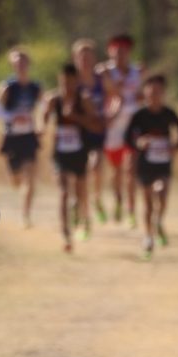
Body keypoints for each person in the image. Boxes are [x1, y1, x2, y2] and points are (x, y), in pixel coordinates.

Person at [125, 74, 178, 259]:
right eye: (151, 91)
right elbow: (128, 137)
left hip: (163, 163)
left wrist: (176, 147)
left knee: (162, 193)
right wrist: (139, 143)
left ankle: (159, 222)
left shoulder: (168, 113)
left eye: (158, 91)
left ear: (163, 93)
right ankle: (148, 236)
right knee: (148, 203)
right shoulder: (139, 115)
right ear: (145, 93)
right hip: (145, 164)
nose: (154, 95)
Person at [43, 64, 104, 253]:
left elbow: (97, 126)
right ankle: (66, 235)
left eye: (70, 83)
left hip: (79, 152)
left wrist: (76, 117)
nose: (66, 87)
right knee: (63, 192)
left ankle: (82, 218)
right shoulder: (54, 99)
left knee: (79, 194)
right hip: (60, 153)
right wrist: (40, 127)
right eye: (63, 83)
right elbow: (43, 118)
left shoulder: (84, 99)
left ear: (76, 82)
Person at [0, 48, 41, 228]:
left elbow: (44, 107)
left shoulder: (35, 87)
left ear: (29, 64)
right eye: (18, 64)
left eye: (24, 63)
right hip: (12, 138)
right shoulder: (8, 87)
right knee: (16, 179)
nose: (21, 66)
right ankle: (17, 184)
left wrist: (40, 124)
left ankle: (26, 215)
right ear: (13, 66)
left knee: (30, 176)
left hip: (29, 136)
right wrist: (12, 116)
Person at [99, 33, 144, 226]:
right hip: (112, 128)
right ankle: (118, 200)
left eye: (124, 51)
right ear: (110, 52)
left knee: (130, 170)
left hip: (132, 127)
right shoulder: (104, 72)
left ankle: (131, 210)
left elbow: (142, 95)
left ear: (129, 52)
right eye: (116, 51)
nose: (120, 55)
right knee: (116, 170)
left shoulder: (137, 72)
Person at [72, 38, 108, 225]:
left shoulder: (101, 79)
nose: (85, 60)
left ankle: (97, 197)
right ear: (75, 59)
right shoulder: (72, 81)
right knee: (80, 177)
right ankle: (84, 213)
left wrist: (111, 115)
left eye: (88, 57)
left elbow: (116, 96)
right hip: (77, 134)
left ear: (94, 58)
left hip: (97, 132)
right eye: (81, 57)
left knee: (96, 165)